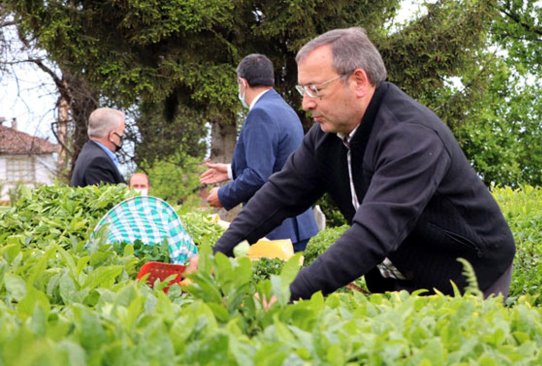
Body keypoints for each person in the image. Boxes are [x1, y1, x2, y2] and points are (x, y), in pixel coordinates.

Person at [193, 27, 516, 302]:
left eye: (315, 89)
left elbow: (372, 235)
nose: (305, 103)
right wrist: (215, 255)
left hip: (467, 279)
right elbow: (280, 194)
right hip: (398, 279)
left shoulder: (411, 138)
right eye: (302, 89)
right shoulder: (328, 134)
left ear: (359, 81)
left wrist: (289, 293)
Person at [200, 53, 318, 252]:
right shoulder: (283, 108)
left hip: (277, 230)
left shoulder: (260, 113)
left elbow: (258, 176)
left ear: (242, 83)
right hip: (297, 224)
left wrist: (223, 194)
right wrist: (230, 171)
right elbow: (277, 163)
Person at [71, 107, 126, 187]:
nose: (122, 136)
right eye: (121, 132)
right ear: (112, 136)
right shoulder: (98, 161)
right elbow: (107, 198)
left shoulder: (89, 153)